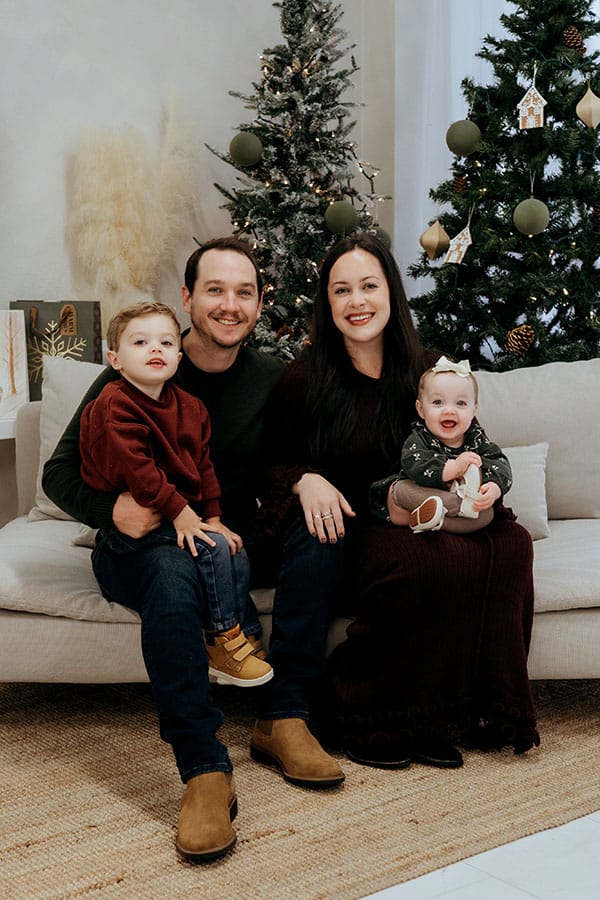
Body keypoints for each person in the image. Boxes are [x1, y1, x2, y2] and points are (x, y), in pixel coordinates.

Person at [42, 237, 345, 865]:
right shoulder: (132, 371)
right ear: (188, 298)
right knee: (174, 571)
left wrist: (307, 476)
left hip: (227, 537)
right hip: (144, 546)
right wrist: (109, 511)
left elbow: (291, 458)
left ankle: (283, 717)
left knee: (317, 529)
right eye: (214, 290)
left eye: (244, 292)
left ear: (260, 304)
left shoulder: (273, 380)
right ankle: (204, 768)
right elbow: (58, 473)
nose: (229, 305)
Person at [259, 233, 539, 773]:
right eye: (342, 290)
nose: (357, 300)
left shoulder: (429, 368)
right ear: (328, 303)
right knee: (419, 562)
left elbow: (474, 441)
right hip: (360, 521)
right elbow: (268, 463)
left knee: (511, 545)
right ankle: (371, 713)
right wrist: (303, 480)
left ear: (391, 291)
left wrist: (488, 486)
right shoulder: (305, 378)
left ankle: (455, 712)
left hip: (437, 506)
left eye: (369, 285)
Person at [79, 300, 272, 688]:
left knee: (230, 544)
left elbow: (203, 467)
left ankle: (245, 635)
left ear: (179, 357)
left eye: (166, 343)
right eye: (140, 342)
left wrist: (214, 517)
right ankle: (222, 638)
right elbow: (140, 473)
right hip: (133, 530)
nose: (155, 349)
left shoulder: (191, 408)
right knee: (212, 549)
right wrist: (184, 514)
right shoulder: (114, 405)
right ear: (114, 359)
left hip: (176, 513)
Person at [381, 355, 513, 535]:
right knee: (399, 489)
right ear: (421, 409)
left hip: (458, 510)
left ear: (474, 409)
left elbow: (500, 464)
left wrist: (494, 489)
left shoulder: (476, 440)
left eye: (460, 403)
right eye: (437, 402)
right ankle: (447, 507)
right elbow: (413, 463)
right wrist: (454, 467)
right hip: (420, 497)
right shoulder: (420, 437)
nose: (449, 410)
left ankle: (433, 522)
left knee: (487, 514)